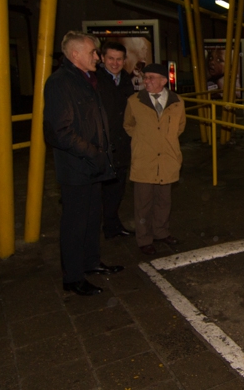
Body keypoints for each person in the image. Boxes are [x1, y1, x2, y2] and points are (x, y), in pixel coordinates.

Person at [43, 31, 123, 297]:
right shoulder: (59, 83)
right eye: (93, 53)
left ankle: (91, 262)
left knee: (91, 218)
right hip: (77, 167)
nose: (97, 58)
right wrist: (93, 151)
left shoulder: (88, 79)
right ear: (75, 54)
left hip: (93, 165)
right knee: (75, 224)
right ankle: (73, 277)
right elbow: (59, 131)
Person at [123, 64, 186, 256]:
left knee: (163, 200)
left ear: (163, 81)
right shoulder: (135, 101)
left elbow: (180, 126)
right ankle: (144, 239)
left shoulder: (177, 102)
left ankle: (161, 232)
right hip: (144, 159)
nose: (146, 81)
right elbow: (129, 125)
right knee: (143, 202)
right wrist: (145, 140)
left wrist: (165, 141)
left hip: (167, 159)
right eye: (145, 77)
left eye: (151, 77)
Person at [95, 42, 135, 240]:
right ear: (102, 58)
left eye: (119, 59)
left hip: (122, 143)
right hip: (102, 145)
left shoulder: (126, 80)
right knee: (98, 190)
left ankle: (112, 225)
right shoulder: (95, 80)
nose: (115, 63)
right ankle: (96, 228)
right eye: (111, 58)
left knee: (117, 188)